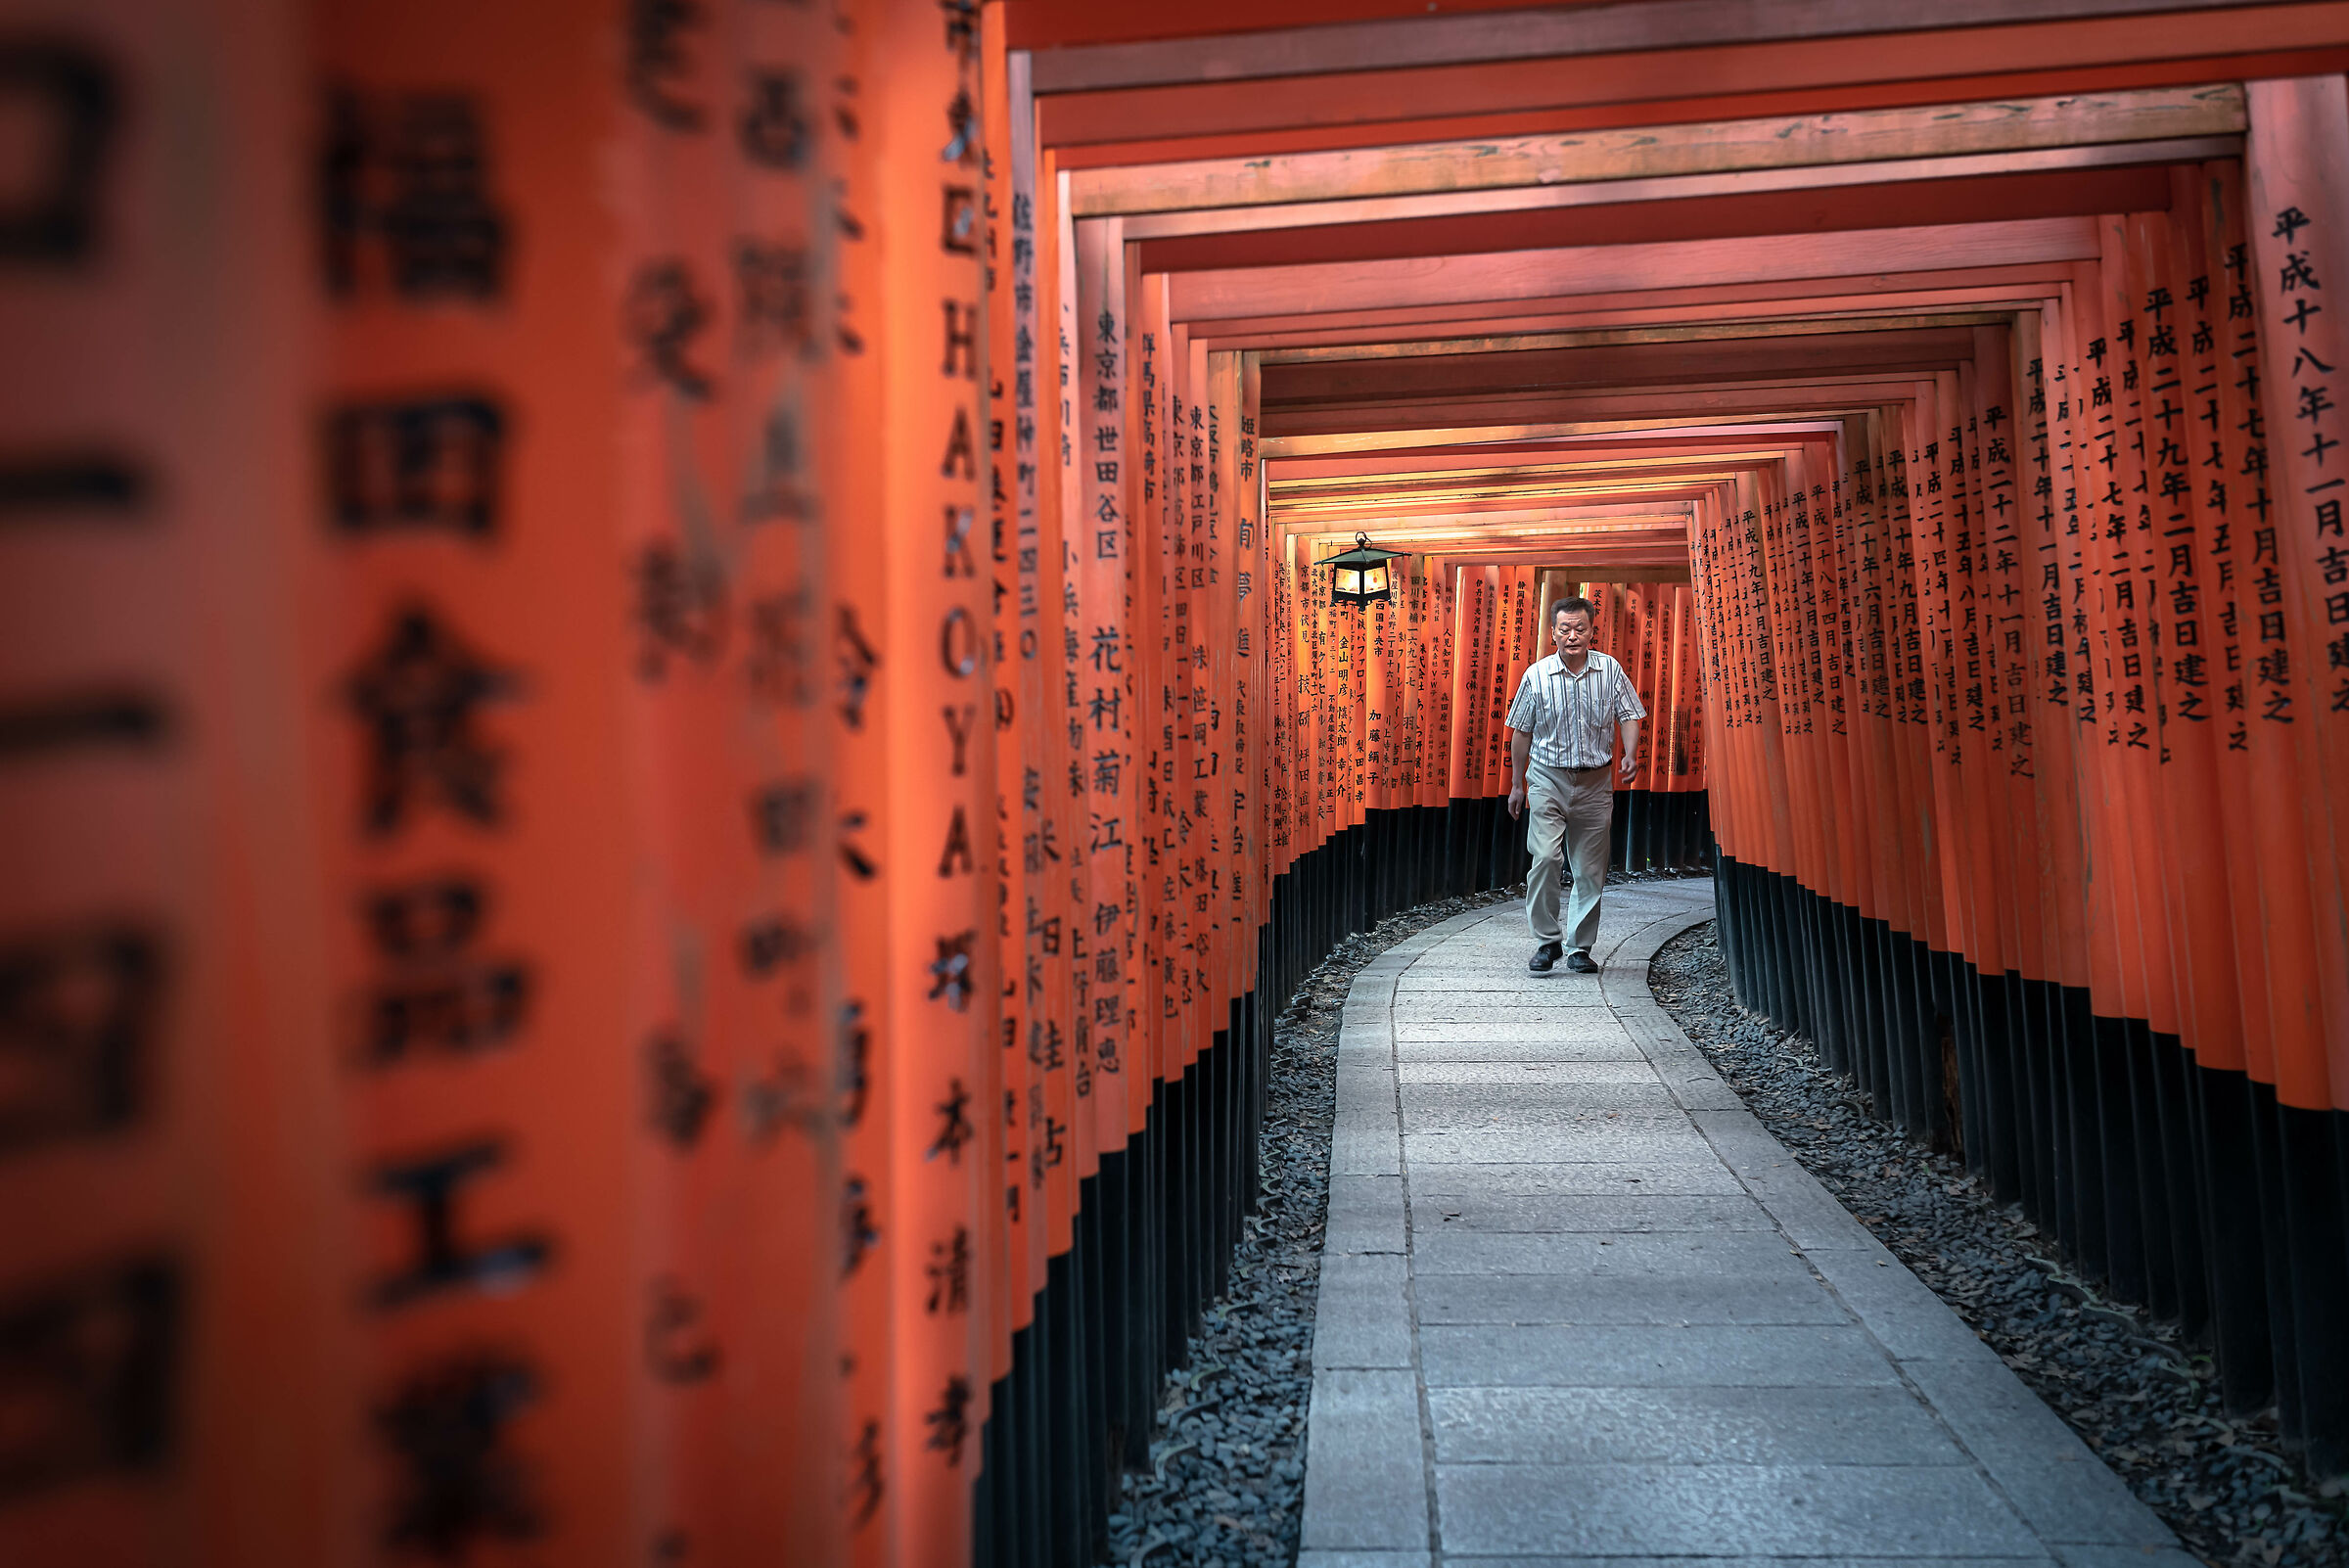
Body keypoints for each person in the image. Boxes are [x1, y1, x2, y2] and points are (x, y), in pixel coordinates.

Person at [1504, 595, 1645, 974]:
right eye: (1564, 629)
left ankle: (1579, 947)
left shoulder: (1610, 670)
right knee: (1546, 857)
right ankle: (1547, 941)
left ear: (1592, 631)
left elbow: (1629, 714)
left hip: (1596, 782)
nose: (1572, 636)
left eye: (1579, 628)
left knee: (1589, 868)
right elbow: (1521, 733)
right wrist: (1517, 785)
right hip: (1548, 777)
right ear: (1553, 633)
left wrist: (1630, 753)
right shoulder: (1536, 676)